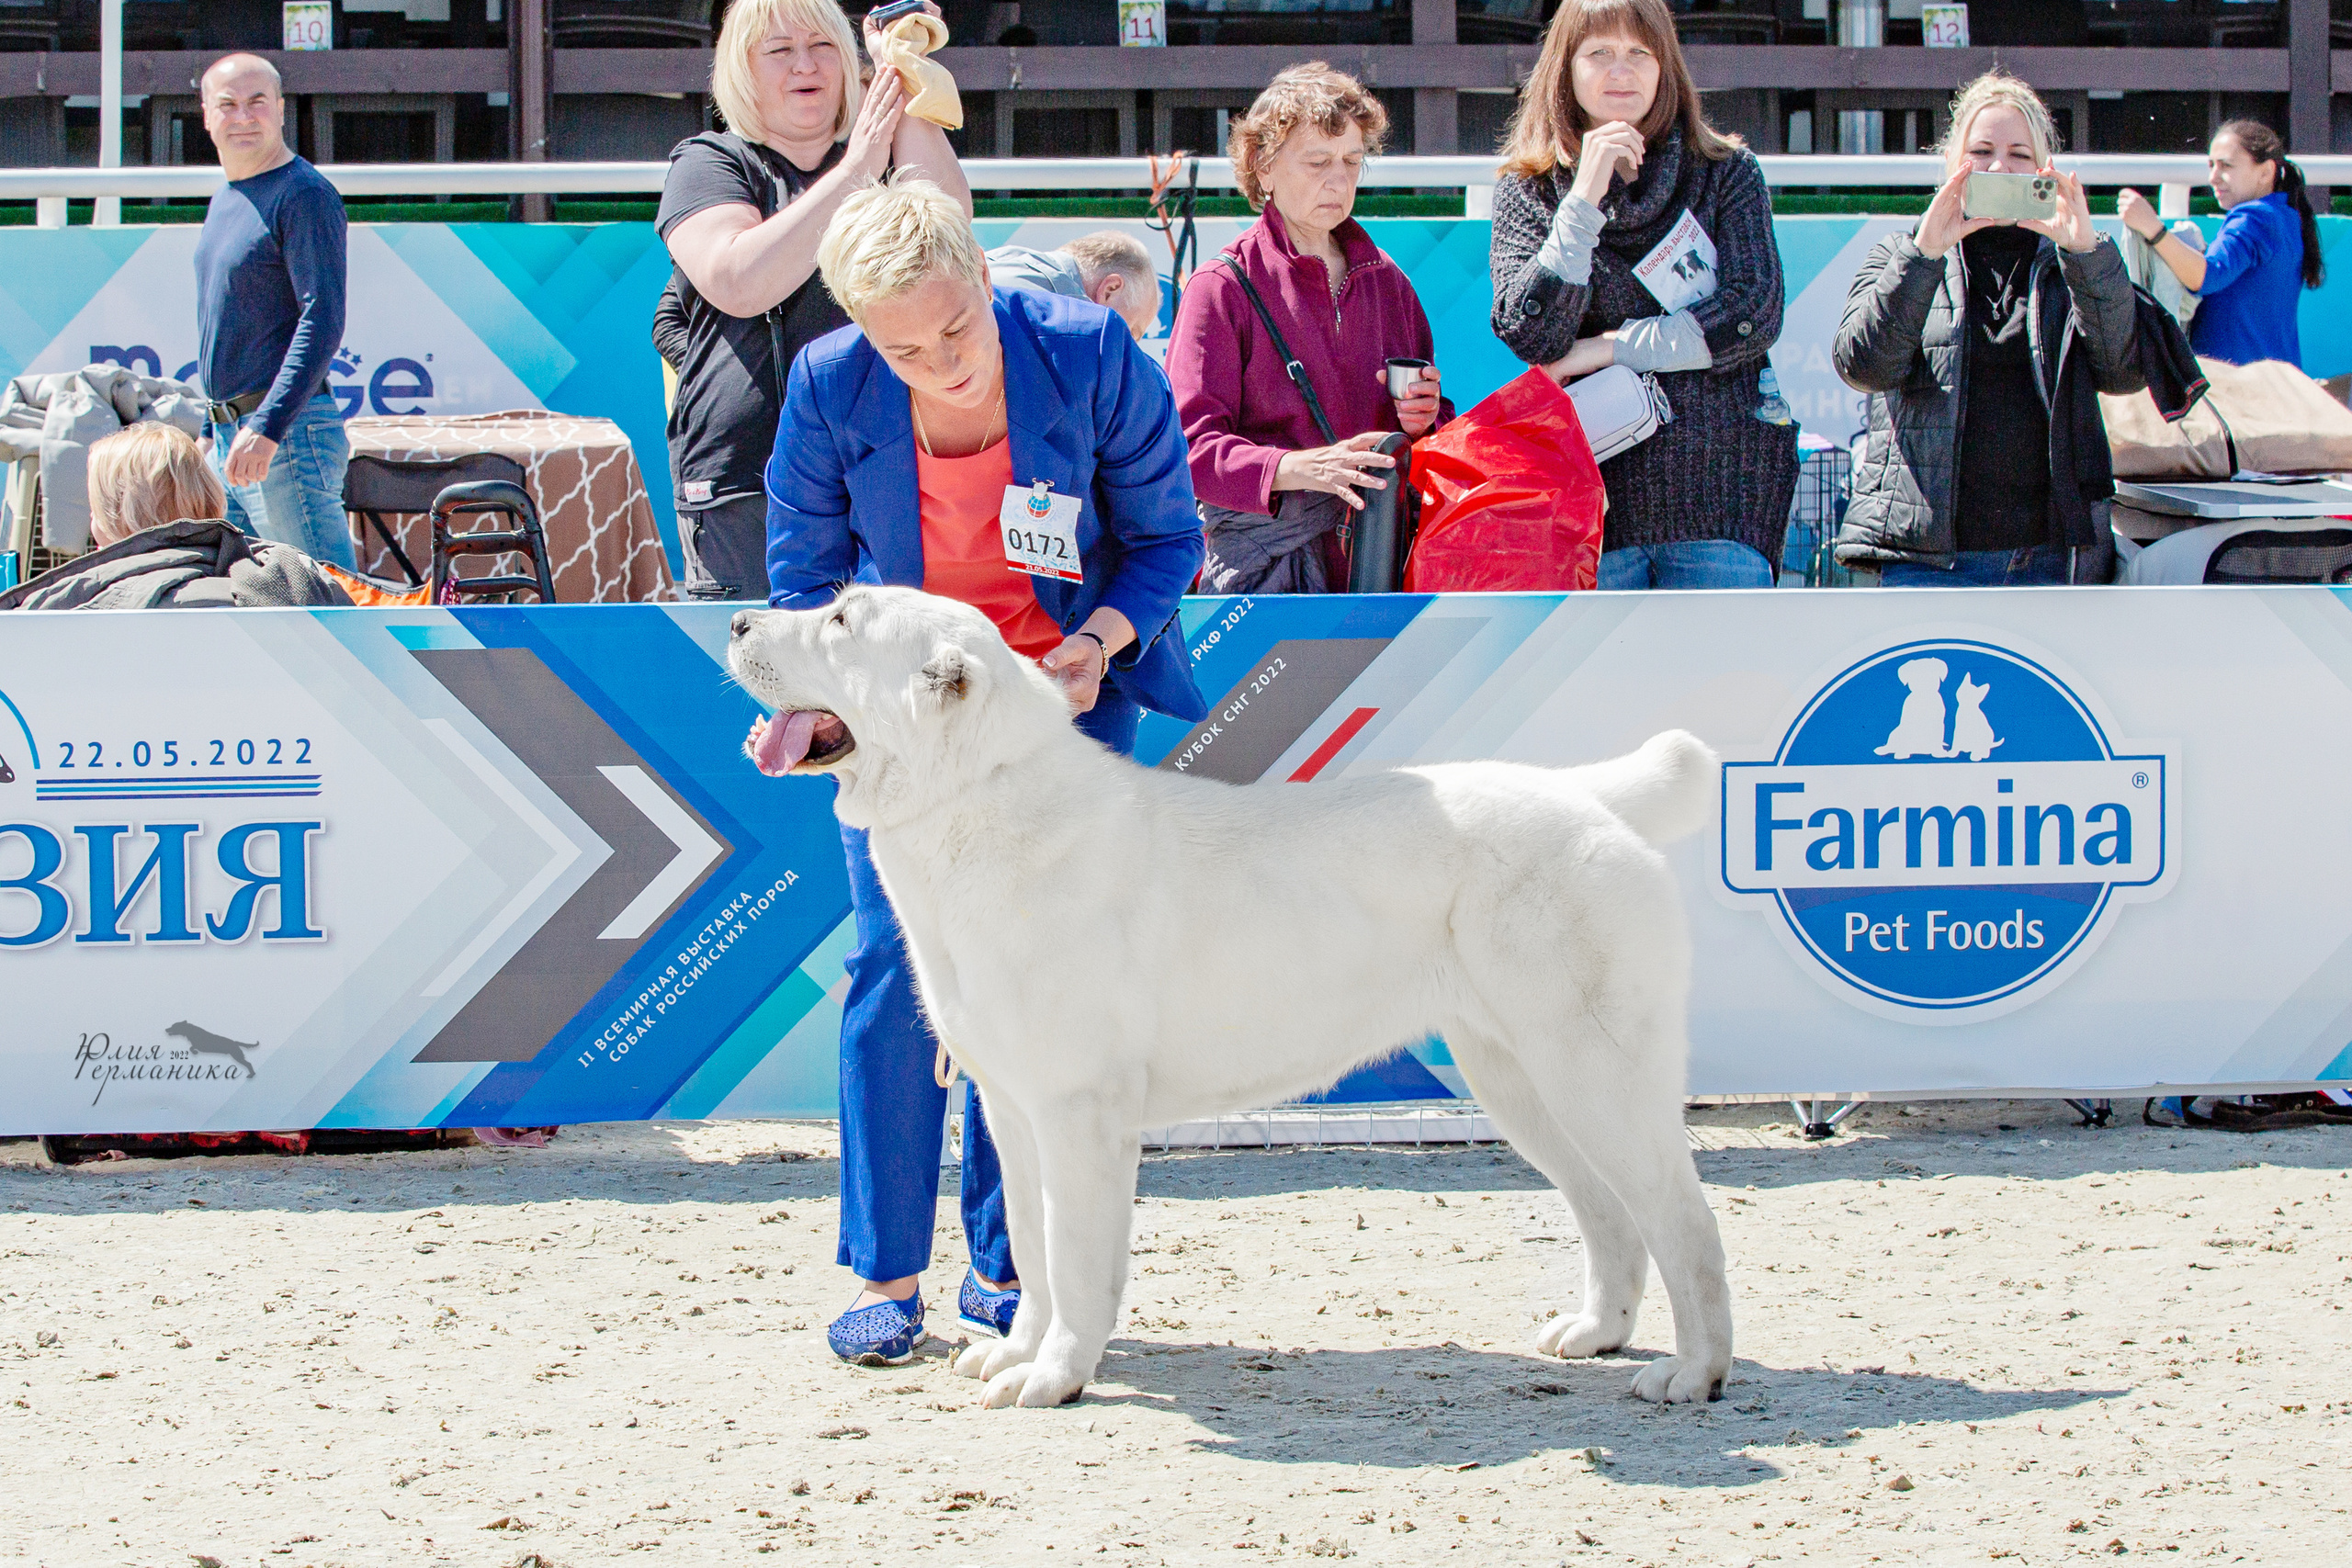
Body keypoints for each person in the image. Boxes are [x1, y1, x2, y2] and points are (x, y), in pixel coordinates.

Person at [753, 175, 1205, 1365]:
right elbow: (802, 580)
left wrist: (1099, 641)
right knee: (892, 967)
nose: (938, 363)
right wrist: (824, 706)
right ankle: (886, 1272)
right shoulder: (829, 382)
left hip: (1063, 705)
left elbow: (1165, 538)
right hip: (905, 728)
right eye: (902, 348)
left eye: (956, 329)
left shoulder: (1089, 351)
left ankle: (1012, 1267)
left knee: (1042, 986)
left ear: (984, 279)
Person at [657, 0, 971, 600]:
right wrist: (855, 174)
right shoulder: (708, 162)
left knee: (888, 675)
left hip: (885, 470)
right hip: (746, 485)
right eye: (780, 51)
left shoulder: (878, 152)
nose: (806, 65)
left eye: (824, 47)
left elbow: (948, 236)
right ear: (741, 71)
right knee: (766, 682)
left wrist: (896, 72)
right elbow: (739, 280)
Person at [1487, 0, 1796, 591]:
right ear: (1566, 70)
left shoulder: (1726, 172)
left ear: (1666, 69)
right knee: (1593, 686)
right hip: (1588, 508)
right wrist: (1581, 202)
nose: (1620, 72)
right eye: (1599, 53)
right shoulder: (1527, 190)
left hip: (1721, 500)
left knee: (1724, 686)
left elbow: (1753, 314)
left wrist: (1606, 348)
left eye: (1639, 54)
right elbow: (1532, 333)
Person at [1833, 72, 2144, 586]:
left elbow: (2124, 371)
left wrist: (2087, 256)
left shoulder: (2074, 260)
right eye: (1982, 151)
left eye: (2020, 155)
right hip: (1930, 558)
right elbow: (1864, 367)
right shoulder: (1901, 252)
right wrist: (1924, 254)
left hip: (2053, 555)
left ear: (2045, 168)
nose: (2000, 166)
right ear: (1954, 164)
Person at [1167, 62, 1451, 593]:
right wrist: (1297, 468)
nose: (1339, 180)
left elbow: (1438, 435)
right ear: (1263, 167)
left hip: (1381, 564)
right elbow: (1188, 451)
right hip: (1267, 578)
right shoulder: (1221, 286)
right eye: (1317, 161)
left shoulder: (1389, 282)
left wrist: (1425, 420)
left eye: (1351, 161)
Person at [195, 52, 353, 570]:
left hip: (283, 437)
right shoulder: (228, 196)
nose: (243, 116)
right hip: (232, 437)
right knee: (262, 617)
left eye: (257, 102)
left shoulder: (303, 194)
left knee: (326, 609)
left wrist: (268, 425)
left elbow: (322, 320)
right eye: (228, 104)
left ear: (282, 110)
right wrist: (209, 429)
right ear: (206, 115)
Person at [2118, 119, 2324, 368]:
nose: (2213, 178)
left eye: (2226, 166)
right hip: (2277, 383)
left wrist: (2152, 228)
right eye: (2211, 165)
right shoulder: (2286, 216)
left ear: (2266, 172)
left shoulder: (2252, 218)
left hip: (2240, 389)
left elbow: (2205, 276)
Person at [985, 231, 1163, 341]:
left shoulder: (998, 260)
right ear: (1111, 290)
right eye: (1132, 333)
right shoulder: (1062, 327)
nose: (1130, 348)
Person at [86, 423, 228, 548]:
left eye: (97, 507)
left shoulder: (112, 577)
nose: (91, 514)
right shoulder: (228, 559)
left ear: (127, 514)